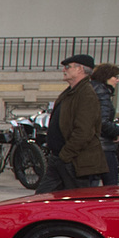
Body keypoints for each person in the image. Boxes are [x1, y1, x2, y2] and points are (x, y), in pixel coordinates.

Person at [36, 54, 106, 193]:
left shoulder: (86, 94)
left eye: (68, 67)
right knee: (40, 200)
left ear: (80, 69)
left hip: (74, 162)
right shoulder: (71, 92)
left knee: (75, 202)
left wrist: (66, 155)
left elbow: (84, 131)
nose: (64, 70)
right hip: (59, 159)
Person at [91, 63, 119, 185]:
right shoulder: (102, 93)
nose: (117, 80)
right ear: (106, 77)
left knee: (91, 185)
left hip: (91, 146)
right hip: (103, 147)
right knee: (111, 187)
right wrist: (118, 131)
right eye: (115, 77)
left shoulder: (91, 88)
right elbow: (102, 122)